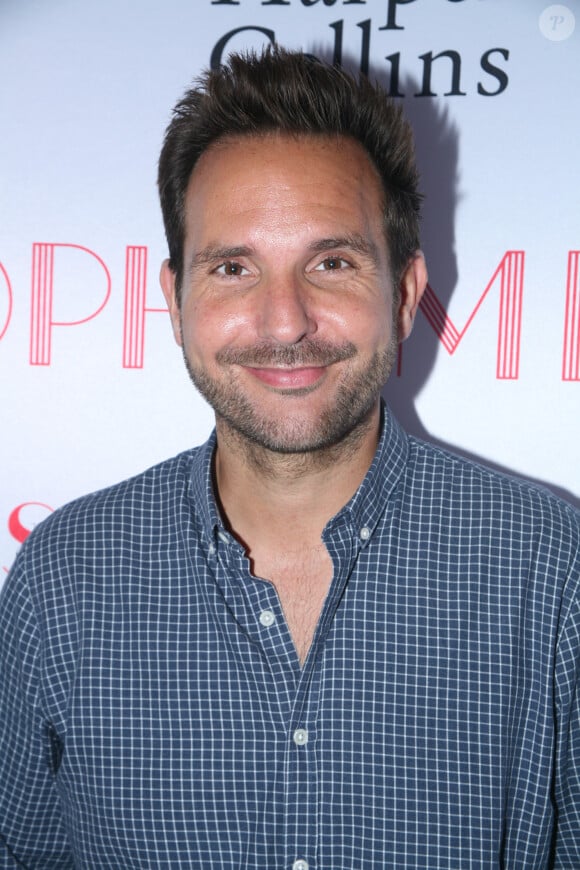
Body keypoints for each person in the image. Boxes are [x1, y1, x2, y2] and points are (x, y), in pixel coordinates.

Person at [1, 47, 579, 869]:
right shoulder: (64, 577)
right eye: (233, 268)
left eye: (331, 263)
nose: (284, 322)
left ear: (407, 295)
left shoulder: (550, 570)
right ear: (173, 302)